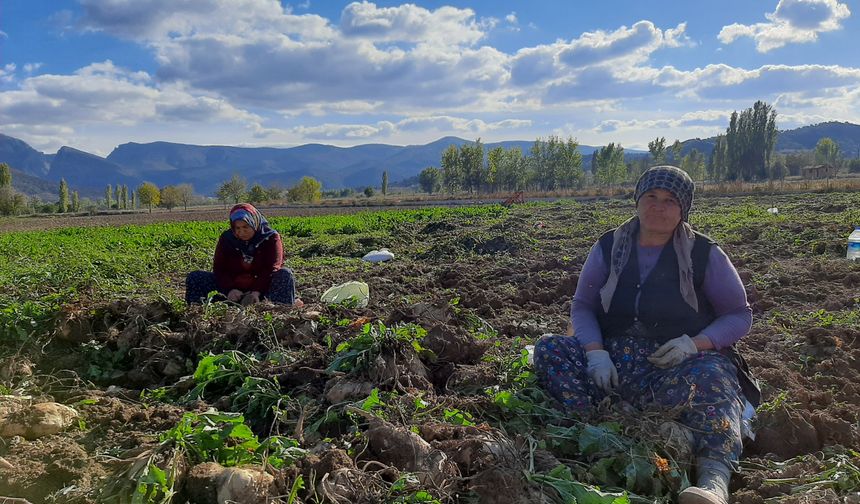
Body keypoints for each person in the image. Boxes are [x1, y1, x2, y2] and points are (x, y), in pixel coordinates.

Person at [534, 166, 759, 504]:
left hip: (674, 365)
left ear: (684, 209)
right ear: (637, 200)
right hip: (614, 363)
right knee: (550, 347)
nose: (658, 206)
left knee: (715, 376)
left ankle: (713, 481)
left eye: (670, 201)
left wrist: (692, 345)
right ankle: (596, 427)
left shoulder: (704, 253)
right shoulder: (609, 246)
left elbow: (739, 315)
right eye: (651, 197)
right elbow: (582, 305)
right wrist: (595, 353)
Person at [185, 203, 303, 307]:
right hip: (233, 289)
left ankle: (275, 307)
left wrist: (256, 291)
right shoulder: (227, 239)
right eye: (238, 228)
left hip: (263, 288)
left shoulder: (270, 238)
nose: (241, 232)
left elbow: (271, 268)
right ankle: (206, 308)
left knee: (285, 274)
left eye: (246, 227)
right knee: (195, 277)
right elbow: (219, 268)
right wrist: (230, 289)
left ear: (254, 222)